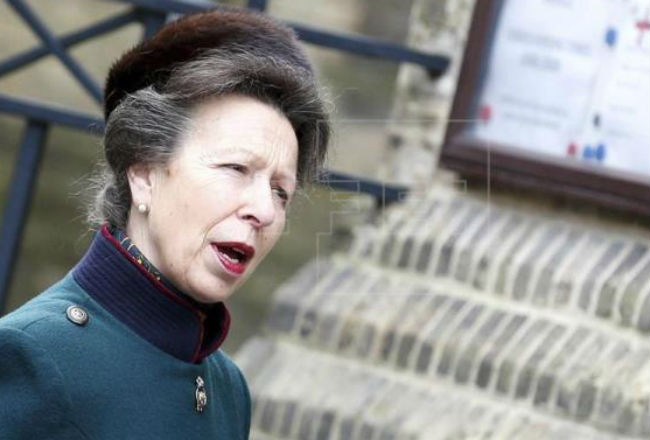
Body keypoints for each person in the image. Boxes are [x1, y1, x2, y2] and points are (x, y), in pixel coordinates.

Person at [0, 6, 329, 439]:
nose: (264, 210)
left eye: (280, 191)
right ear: (144, 174)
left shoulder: (228, 388)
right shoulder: (36, 356)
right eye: (235, 168)